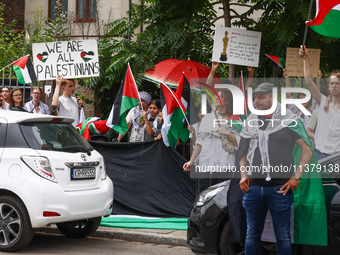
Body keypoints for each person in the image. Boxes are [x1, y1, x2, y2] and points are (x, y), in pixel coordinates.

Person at [238, 82, 313, 255]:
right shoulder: (251, 121)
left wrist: (296, 177)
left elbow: (307, 150)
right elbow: (242, 153)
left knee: (283, 236)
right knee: (251, 235)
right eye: (255, 97)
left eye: (262, 97)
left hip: (281, 189)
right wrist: (243, 175)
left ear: (272, 98)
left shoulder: (289, 120)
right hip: (253, 187)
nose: (257, 101)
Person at [183, 88, 241, 191]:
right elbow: (199, 142)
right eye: (215, 96)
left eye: (221, 96)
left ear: (228, 101)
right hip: (207, 164)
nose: (216, 98)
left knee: (223, 197)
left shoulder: (236, 120)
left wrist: (227, 133)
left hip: (226, 165)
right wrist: (191, 161)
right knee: (204, 196)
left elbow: (240, 144)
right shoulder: (208, 118)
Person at [300, 45, 340, 160]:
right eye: (332, 83)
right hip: (319, 156)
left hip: (336, 159)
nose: (334, 86)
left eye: (337, 83)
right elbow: (309, 81)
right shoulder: (322, 102)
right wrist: (306, 59)